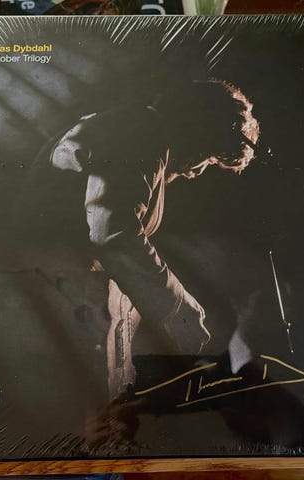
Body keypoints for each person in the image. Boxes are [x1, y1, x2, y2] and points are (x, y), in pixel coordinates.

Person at [50, 78, 260, 398]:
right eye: (207, 158)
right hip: (43, 299)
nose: (197, 172)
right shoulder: (142, 132)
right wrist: (178, 308)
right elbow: (113, 234)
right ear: (197, 131)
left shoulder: (142, 134)